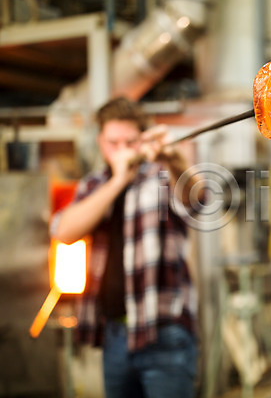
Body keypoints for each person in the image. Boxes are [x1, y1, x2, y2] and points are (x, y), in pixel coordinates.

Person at [50, 97, 203, 398]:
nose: (121, 151)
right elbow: (63, 232)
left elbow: (197, 201)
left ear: (142, 141)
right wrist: (118, 181)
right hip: (114, 335)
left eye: (130, 142)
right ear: (100, 142)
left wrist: (175, 160)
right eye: (113, 143)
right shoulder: (94, 185)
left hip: (164, 332)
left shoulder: (162, 177)